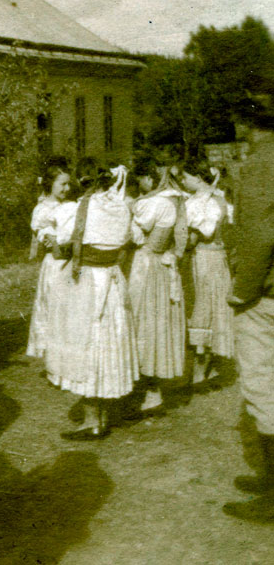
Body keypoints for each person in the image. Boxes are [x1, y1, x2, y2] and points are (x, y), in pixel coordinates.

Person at [46, 165, 139, 439]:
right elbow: (132, 237)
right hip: (112, 279)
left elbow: (63, 241)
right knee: (107, 342)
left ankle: (92, 420)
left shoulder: (79, 208)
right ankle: (103, 414)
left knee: (87, 342)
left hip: (86, 281)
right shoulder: (122, 207)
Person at [223, 89, 274, 523]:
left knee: (264, 391)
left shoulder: (261, 164)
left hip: (267, 296)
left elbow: (259, 235)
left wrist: (243, 290)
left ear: (246, 124)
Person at [126, 161, 188, 417]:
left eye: (141, 179)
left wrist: (129, 211)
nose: (141, 185)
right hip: (162, 265)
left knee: (144, 323)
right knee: (155, 325)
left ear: (149, 179)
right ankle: (150, 389)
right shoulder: (175, 200)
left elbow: (135, 236)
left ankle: (150, 391)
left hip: (147, 265)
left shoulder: (157, 203)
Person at [179, 158, 234, 388]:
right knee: (208, 306)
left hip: (205, 259)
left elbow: (207, 231)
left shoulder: (204, 202)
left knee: (204, 306)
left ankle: (201, 370)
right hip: (213, 258)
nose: (182, 181)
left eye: (185, 177)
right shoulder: (216, 199)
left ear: (198, 178)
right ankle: (204, 366)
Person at [26, 163, 72, 358]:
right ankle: (53, 352)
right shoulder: (42, 210)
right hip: (55, 263)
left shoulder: (71, 206)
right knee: (54, 305)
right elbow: (47, 239)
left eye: (69, 184)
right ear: (50, 184)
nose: (67, 188)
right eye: (63, 184)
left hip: (72, 262)